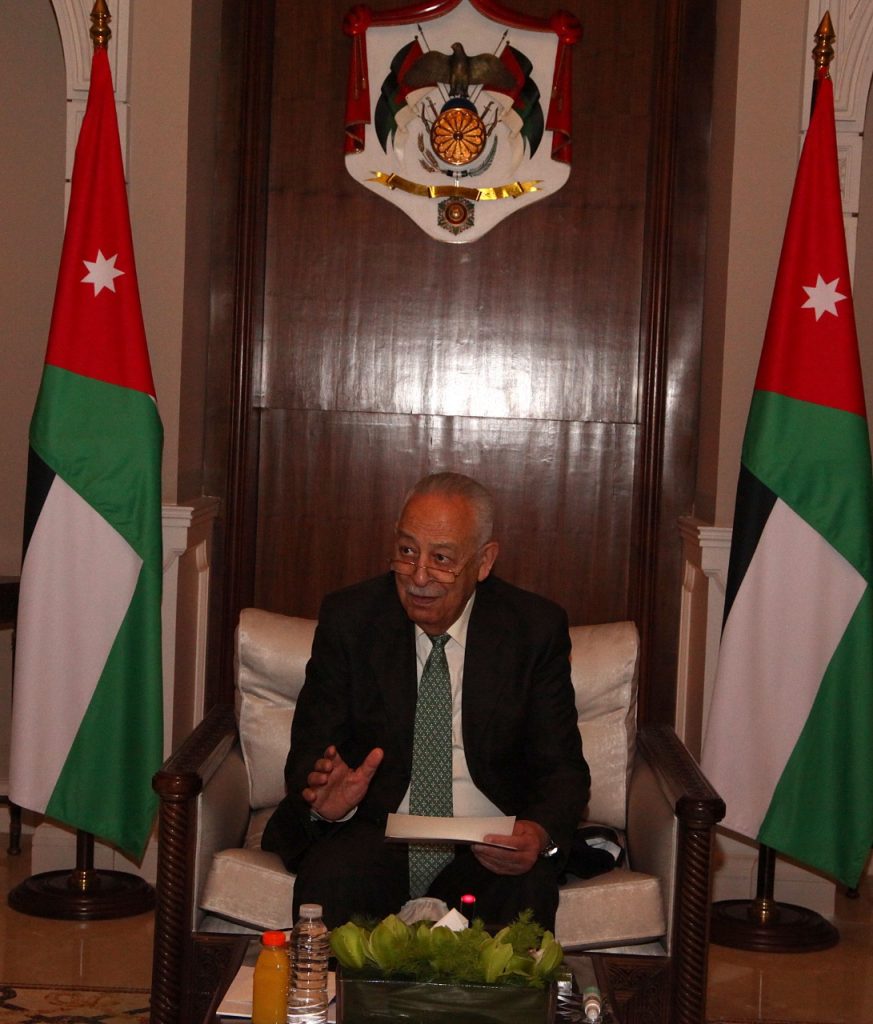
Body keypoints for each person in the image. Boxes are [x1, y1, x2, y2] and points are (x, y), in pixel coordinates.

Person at [262, 472, 589, 929]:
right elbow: (311, 750)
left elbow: (563, 770)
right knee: (330, 878)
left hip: (486, 841)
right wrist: (327, 802)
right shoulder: (351, 620)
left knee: (525, 892)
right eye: (407, 551)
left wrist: (536, 833)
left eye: (441, 559)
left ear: (484, 561)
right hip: (377, 831)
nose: (419, 576)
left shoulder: (533, 630)